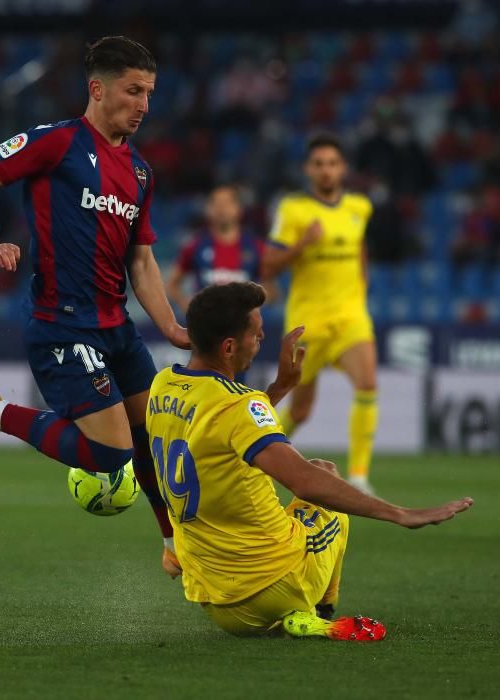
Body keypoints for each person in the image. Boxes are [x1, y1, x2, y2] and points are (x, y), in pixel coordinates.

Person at [0, 36, 189, 576]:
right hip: (60, 325)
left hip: (116, 327)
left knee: (155, 435)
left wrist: (170, 325)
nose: (144, 104)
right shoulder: (57, 142)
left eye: (149, 93)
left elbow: (141, 262)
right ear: (97, 89)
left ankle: (174, 544)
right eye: (134, 91)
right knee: (111, 455)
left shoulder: (141, 173)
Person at [145, 281, 473, 640]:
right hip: (272, 588)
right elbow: (304, 482)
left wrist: (280, 388)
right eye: (256, 334)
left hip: (216, 604)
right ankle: (317, 611)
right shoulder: (238, 405)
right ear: (228, 347)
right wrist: (399, 513)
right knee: (325, 474)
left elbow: (216, 435)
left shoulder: (163, 385)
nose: (261, 341)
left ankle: (298, 610)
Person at [262, 133, 379, 495]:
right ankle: (257, 457)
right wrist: (302, 244)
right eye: (319, 164)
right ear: (308, 169)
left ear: (342, 168)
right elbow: (268, 263)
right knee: (299, 412)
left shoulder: (360, 206)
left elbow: (359, 249)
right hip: (308, 320)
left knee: (368, 383)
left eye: (332, 163)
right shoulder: (293, 210)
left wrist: (361, 284)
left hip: (350, 317)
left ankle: (358, 476)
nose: (326, 170)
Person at [166, 184, 266, 314]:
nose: (221, 208)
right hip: (207, 329)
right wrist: (189, 308)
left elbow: (271, 289)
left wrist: (254, 308)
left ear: (239, 209)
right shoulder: (195, 245)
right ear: (208, 209)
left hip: (243, 329)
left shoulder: (256, 246)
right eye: (216, 203)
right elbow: (172, 285)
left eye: (227, 203)